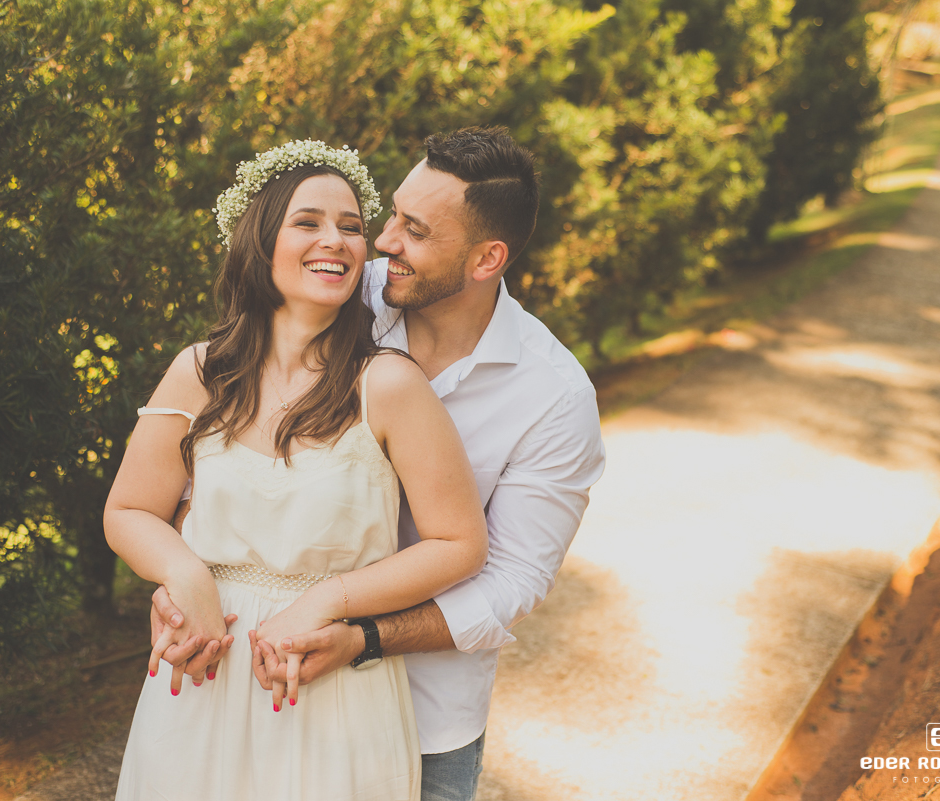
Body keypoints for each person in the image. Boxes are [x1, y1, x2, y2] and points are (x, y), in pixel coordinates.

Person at [151, 127, 607, 801]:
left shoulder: (553, 396)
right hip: (251, 672)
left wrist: (362, 637)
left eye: (415, 230)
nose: (384, 240)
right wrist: (182, 581)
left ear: (487, 259)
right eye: (392, 214)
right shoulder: (333, 288)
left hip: (426, 716)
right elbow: (216, 452)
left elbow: (513, 578)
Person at [103, 140, 489, 801]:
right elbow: (129, 510)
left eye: (351, 227)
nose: (335, 240)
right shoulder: (199, 372)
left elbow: (460, 543)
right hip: (202, 674)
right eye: (308, 222)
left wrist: (324, 602)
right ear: (260, 240)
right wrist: (185, 576)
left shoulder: (388, 384)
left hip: (329, 686)